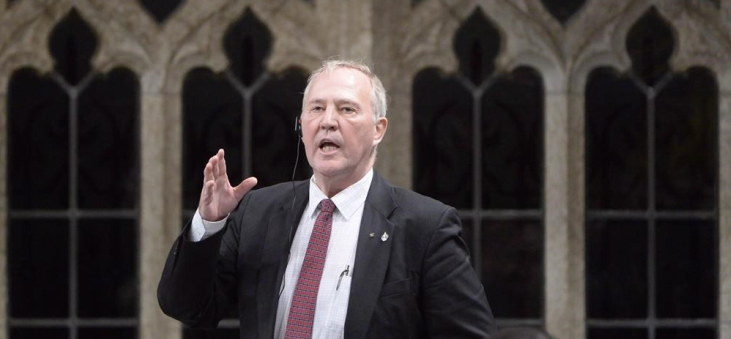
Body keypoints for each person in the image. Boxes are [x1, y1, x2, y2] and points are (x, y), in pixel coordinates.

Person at [158, 59, 495, 338]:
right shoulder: (257, 213)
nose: (328, 122)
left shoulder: (424, 226)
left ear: (378, 129)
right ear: (301, 125)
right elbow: (188, 308)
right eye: (316, 109)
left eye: (346, 109)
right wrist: (209, 224)